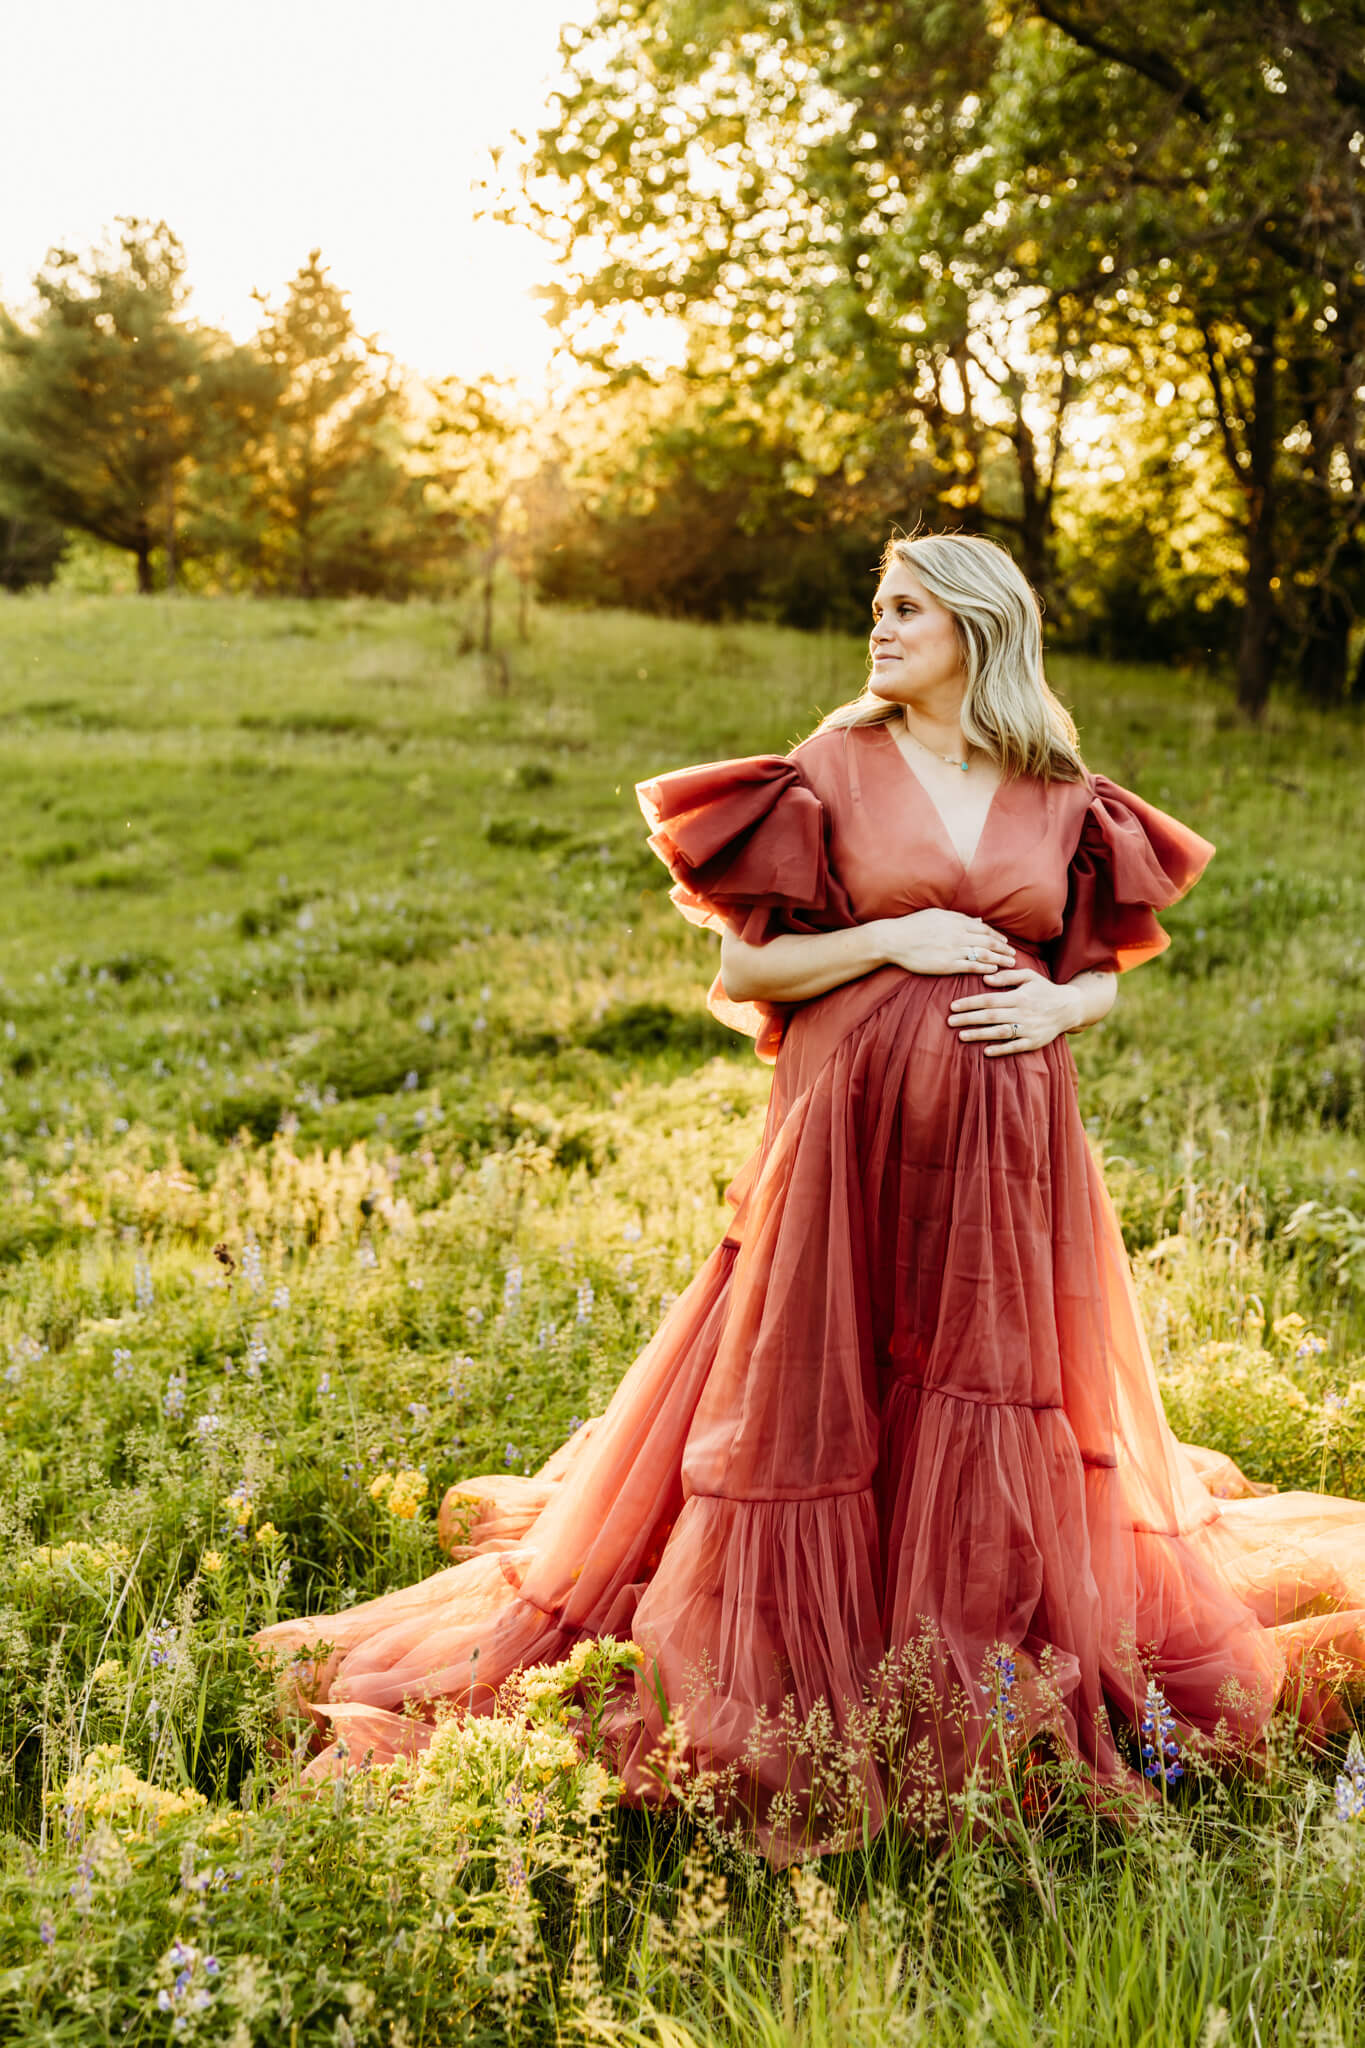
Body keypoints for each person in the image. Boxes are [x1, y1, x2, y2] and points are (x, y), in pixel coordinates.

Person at [256, 533, 1365, 1863]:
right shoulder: (834, 766)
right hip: (841, 1142)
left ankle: (964, 1652)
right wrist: (890, 940)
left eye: (905, 610)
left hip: (1006, 1159)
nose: (879, 629)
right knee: (811, 1386)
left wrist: (1058, 1000)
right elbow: (742, 960)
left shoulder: (1062, 794)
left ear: (975, 626)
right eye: (876, 609)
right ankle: (784, 1675)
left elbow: (1103, 974)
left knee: (983, 1384)